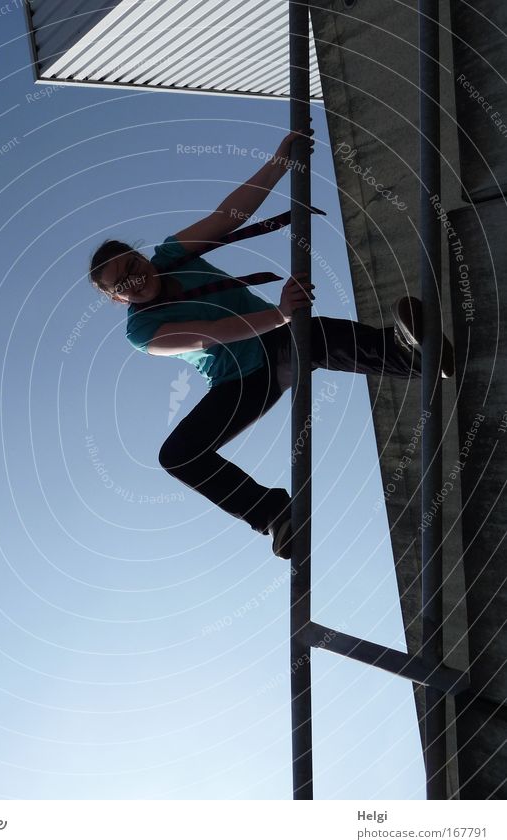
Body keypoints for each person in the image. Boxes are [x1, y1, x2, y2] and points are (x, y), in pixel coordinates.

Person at [88, 130, 454, 559]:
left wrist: (280, 163)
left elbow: (229, 214)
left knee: (311, 338)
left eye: (133, 265)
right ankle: (273, 514)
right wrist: (278, 313)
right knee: (178, 457)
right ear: (117, 298)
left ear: (142, 256)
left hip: (275, 339)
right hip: (240, 383)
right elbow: (208, 335)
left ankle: (410, 355)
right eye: (123, 284)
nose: (137, 280)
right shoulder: (141, 330)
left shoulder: (172, 254)